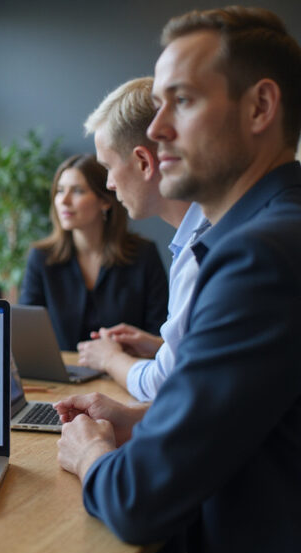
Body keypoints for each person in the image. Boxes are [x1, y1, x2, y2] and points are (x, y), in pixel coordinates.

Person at [55, 7, 301, 553]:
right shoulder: (270, 229)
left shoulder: (257, 256)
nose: (158, 128)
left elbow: (137, 500)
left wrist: (90, 452)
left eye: (182, 101)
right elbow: (254, 419)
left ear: (260, 107)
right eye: (159, 104)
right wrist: (143, 422)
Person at [77, 77, 210, 401]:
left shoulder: (200, 252)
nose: (109, 184)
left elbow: (164, 386)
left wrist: (109, 358)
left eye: (108, 167)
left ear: (143, 162)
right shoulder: (196, 238)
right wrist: (160, 346)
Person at [19, 154, 168, 351]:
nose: (64, 200)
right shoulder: (41, 257)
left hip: (126, 368)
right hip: (60, 371)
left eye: (77, 191)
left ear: (105, 201)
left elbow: (160, 333)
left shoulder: (143, 255)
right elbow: (26, 334)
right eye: (60, 191)